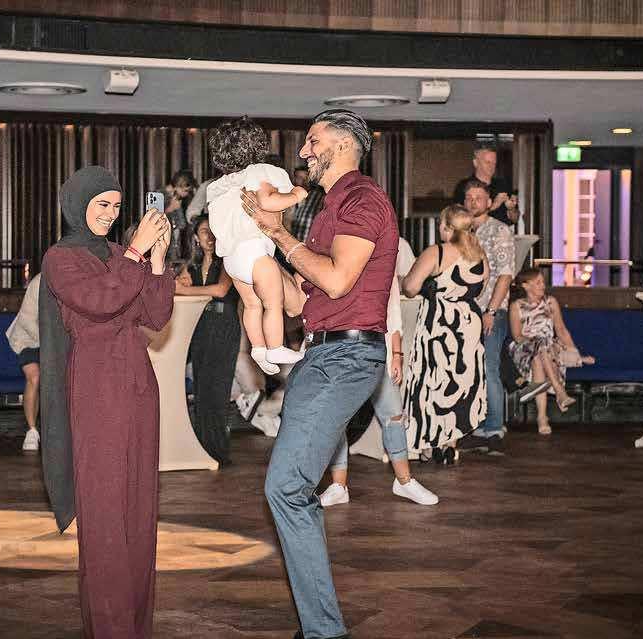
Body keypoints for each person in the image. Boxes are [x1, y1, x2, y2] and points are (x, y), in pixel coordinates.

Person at [244, 108, 398, 639]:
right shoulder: (329, 207)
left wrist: (281, 236)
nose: (304, 151)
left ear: (345, 144)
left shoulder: (362, 200)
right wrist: (254, 257)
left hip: (346, 358)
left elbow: (336, 280)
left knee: (286, 487)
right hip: (320, 355)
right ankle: (320, 628)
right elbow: (300, 301)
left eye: (313, 141)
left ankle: (324, 632)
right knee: (290, 489)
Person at [39, 166, 174, 639]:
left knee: (139, 512)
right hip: (96, 387)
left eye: (117, 206)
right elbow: (101, 302)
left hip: (138, 385)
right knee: (103, 515)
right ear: (79, 204)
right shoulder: (60, 258)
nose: (111, 214)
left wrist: (157, 260)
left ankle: (135, 627)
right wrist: (136, 253)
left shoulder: (120, 254)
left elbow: (155, 315)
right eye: (102, 204)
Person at [318, 235, 439, 507]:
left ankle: (404, 481)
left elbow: (393, 313)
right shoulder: (335, 260)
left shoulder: (383, 263)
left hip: (377, 349)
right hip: (340, 349)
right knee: (337, 418)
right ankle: (338, 485)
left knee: (393, 414)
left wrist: (396, 354)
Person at [206, 117, 308, 375]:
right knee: (273, 303)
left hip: (231, 259)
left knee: (252, 305)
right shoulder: (261, 171)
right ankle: (275, 347)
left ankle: (259, 348)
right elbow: (268, 201)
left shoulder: (220, 185)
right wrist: (296, 194)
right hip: (254, 253)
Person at [399, 205, 487, 464]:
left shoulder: (436, 252)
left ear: (448, 227)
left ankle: (429, 443)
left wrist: (404, 281)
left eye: (441, 224)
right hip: (468, 324)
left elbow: (411, 288)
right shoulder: (479, 255)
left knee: (431, 380)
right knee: (460, 382)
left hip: (439, 323)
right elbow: (481, 288)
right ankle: (450, 443)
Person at [176, 215, 240, 464]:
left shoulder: (229, 260)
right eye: (204, 231)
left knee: (218, 391)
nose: (210, 236)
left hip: (224, 327)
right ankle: (202, 449)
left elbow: (221, 290)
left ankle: (218, 452)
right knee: (202, 392)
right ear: (196, 237)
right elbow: (176, 285)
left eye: (213, 231)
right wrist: (181, 283)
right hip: (200, 327)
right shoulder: (193, 265)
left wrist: (185, 289)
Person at [459, 180, 515, 456]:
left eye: (478, 197)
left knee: (489, 368)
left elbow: (505, 274)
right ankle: (475, 426)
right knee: (470, 370)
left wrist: (491, 311)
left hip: (490, 310)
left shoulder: (499, 230)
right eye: (469, 197)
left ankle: (494, 428)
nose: (473, 202)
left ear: (489, 202)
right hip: (465, 311)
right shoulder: (462, 232)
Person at [508, 268, 595, 435]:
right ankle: (559, 391)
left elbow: (561, 330)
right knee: (540, 348)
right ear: (526, 285)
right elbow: (517, 336)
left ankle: (542, 417)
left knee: (539, 359)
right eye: (538, 282)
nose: (543, 285)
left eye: (543, 282)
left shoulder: (550, 302)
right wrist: (535, 342)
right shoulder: (516, 306)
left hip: (546, 351)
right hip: (524, 350)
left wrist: (574, 352)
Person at [5, 274, 42, 451]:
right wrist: (49, 345)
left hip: (55, 342)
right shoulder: (38, 282)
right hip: (28, 338)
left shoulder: (76, 278)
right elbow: (27, 321)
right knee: (34, 376)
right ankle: (32, 430)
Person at [452, 146, 520, 225]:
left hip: (502, 232)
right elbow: (459, 219)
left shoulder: (503, 185)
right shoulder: (463, 187)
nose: (492, 167)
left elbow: (515, 219)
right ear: (475, 163)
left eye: (494, 163)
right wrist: (494, 206)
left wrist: (511, 209)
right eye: (488, 162)